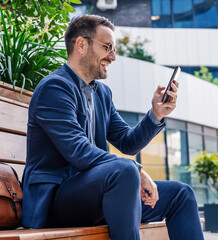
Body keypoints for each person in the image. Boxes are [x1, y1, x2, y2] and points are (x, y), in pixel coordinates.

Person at [22, 14, 204, 240]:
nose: (113, 56)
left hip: (100, 194)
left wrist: (156, 114)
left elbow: (127, 142)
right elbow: (78, 152)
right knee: (126, 170)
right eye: (108, 47)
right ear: (81, 44)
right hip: (56, 201)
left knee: (180, 194)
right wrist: (136, 170)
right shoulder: (55, 88)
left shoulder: (102, 93)